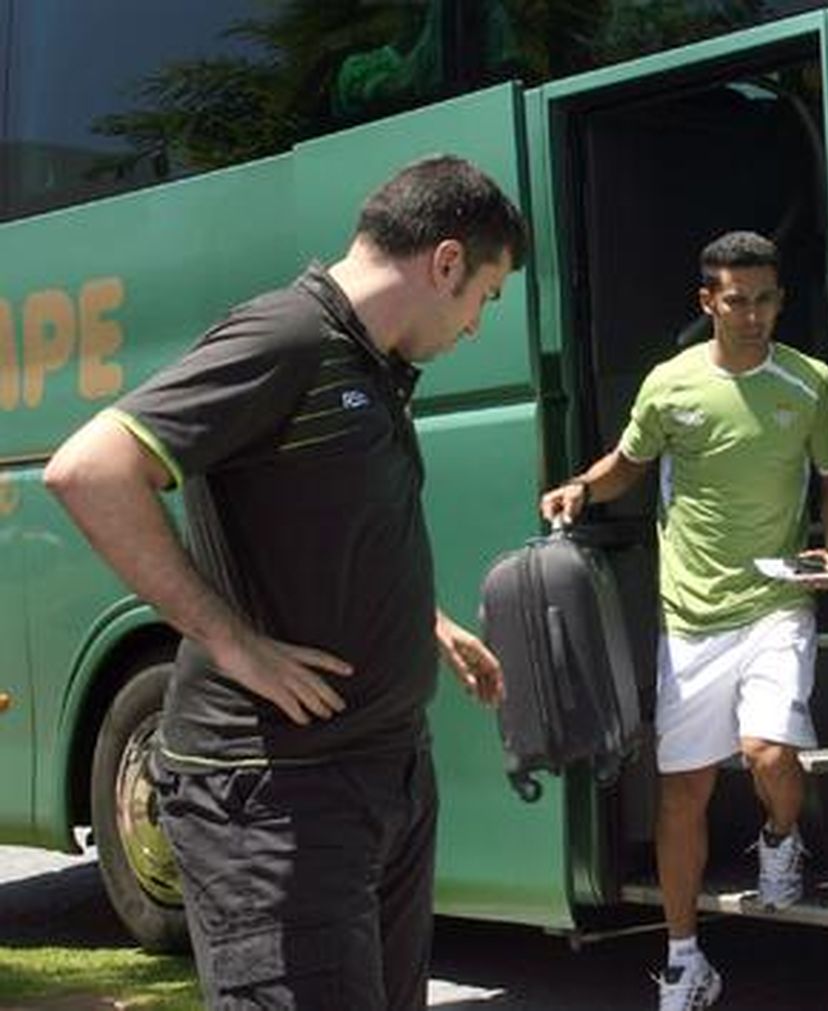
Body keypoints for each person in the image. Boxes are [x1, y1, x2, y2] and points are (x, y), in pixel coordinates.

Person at [44, 154, 527, 1009]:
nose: (477, 325)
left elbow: (329, 531)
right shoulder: (286, 337)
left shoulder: (370, 362)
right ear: (445, 262)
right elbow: (88, 469)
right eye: (484, 295)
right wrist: (231, 641)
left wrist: (429, 622)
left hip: (380, 773)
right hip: (273, 793)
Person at [538, 230, 828, 1011]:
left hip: (776, 603)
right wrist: (581, 486)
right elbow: (629, 462)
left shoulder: (810, 382)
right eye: (736, 300)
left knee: (770, 751)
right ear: (708, 301)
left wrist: (827, 552)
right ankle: (684, 962)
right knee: (683, 794)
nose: (752, 314)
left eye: (766, 299)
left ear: (781, 300)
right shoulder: (669, 385)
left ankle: (781, 838)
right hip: (690, 620)